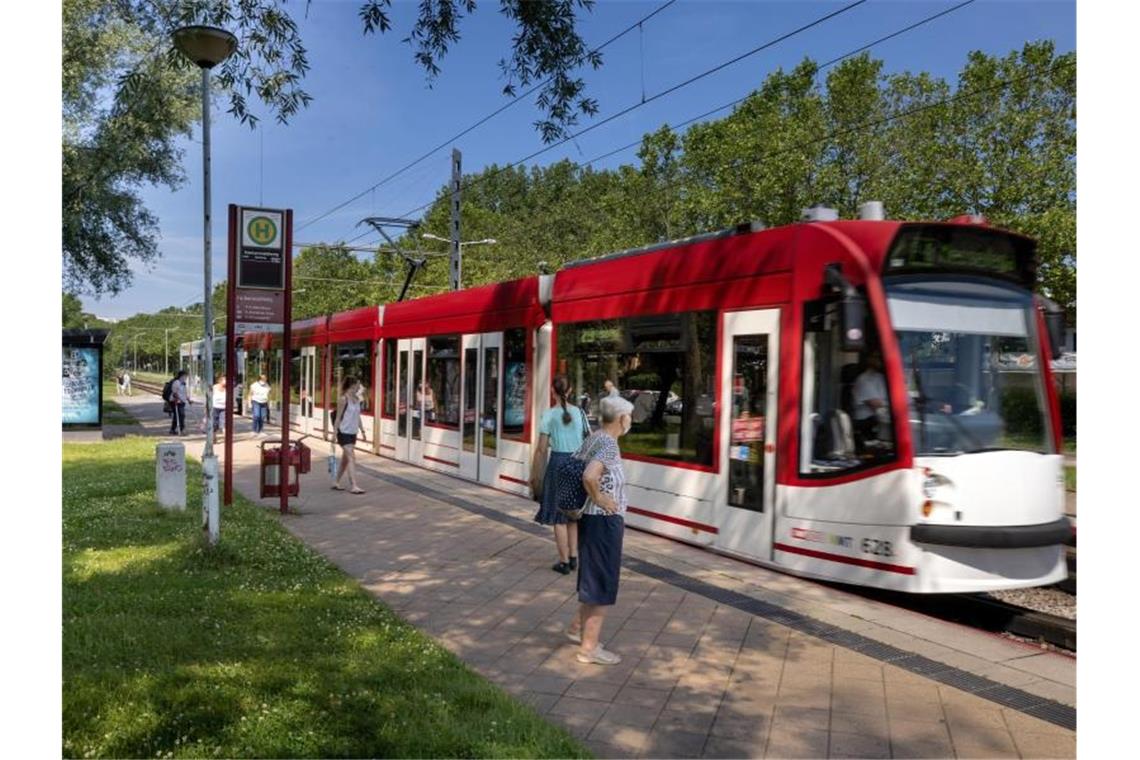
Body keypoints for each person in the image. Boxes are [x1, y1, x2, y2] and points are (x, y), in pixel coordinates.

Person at [565, 395, 634, 666]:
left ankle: (578, 632)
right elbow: (589, 476)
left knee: (593, 577)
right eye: (629, 416)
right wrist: (602, 499)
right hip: (604, 521)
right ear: (621, 418)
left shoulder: (595, 437)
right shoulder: (607, 444)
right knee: (602, 583)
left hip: (592, 522)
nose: (630, 421)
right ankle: (589, 648)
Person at [531, 375, 589, 575]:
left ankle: (563, 562)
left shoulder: (548, 415)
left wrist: (535, 471)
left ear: (553, 392)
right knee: (572, 513)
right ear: (570, 390)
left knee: (558, 516)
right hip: (578, 463)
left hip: (558, 464)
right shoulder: (580, 413)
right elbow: (588, 440)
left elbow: (541, 449)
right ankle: (573, 557)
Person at [333, 376, 367, 494]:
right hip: (343, 432)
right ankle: (354, 485)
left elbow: (358, 417)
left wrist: (362, 431)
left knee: (345, 459)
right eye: (358, 384)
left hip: (352, 432)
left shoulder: (357, 399)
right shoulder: (343, 399)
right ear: (352, 385)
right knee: (351, 457)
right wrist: (334, 433)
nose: (359, 386)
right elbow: (338, 418)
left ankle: (336, 482)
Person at [852, 351, 888, 444]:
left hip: (880, 417)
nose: (880, 360)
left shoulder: (882, 378)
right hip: (867, 422)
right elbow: (875, 403)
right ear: (869, 360)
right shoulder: (863, 379)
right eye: (876, 357)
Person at [169, 370, 192, 435]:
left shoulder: (184, 383)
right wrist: (178, 399)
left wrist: (188, 400)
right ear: (181, 376)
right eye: (185, 376)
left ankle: (173, 429)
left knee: (178, 416)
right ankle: (181, 429)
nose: (186, 378)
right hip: (175, 401)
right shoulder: (176, 382)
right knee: (181, 415)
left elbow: (185, 393)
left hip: (182, 401)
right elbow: (174, 392)